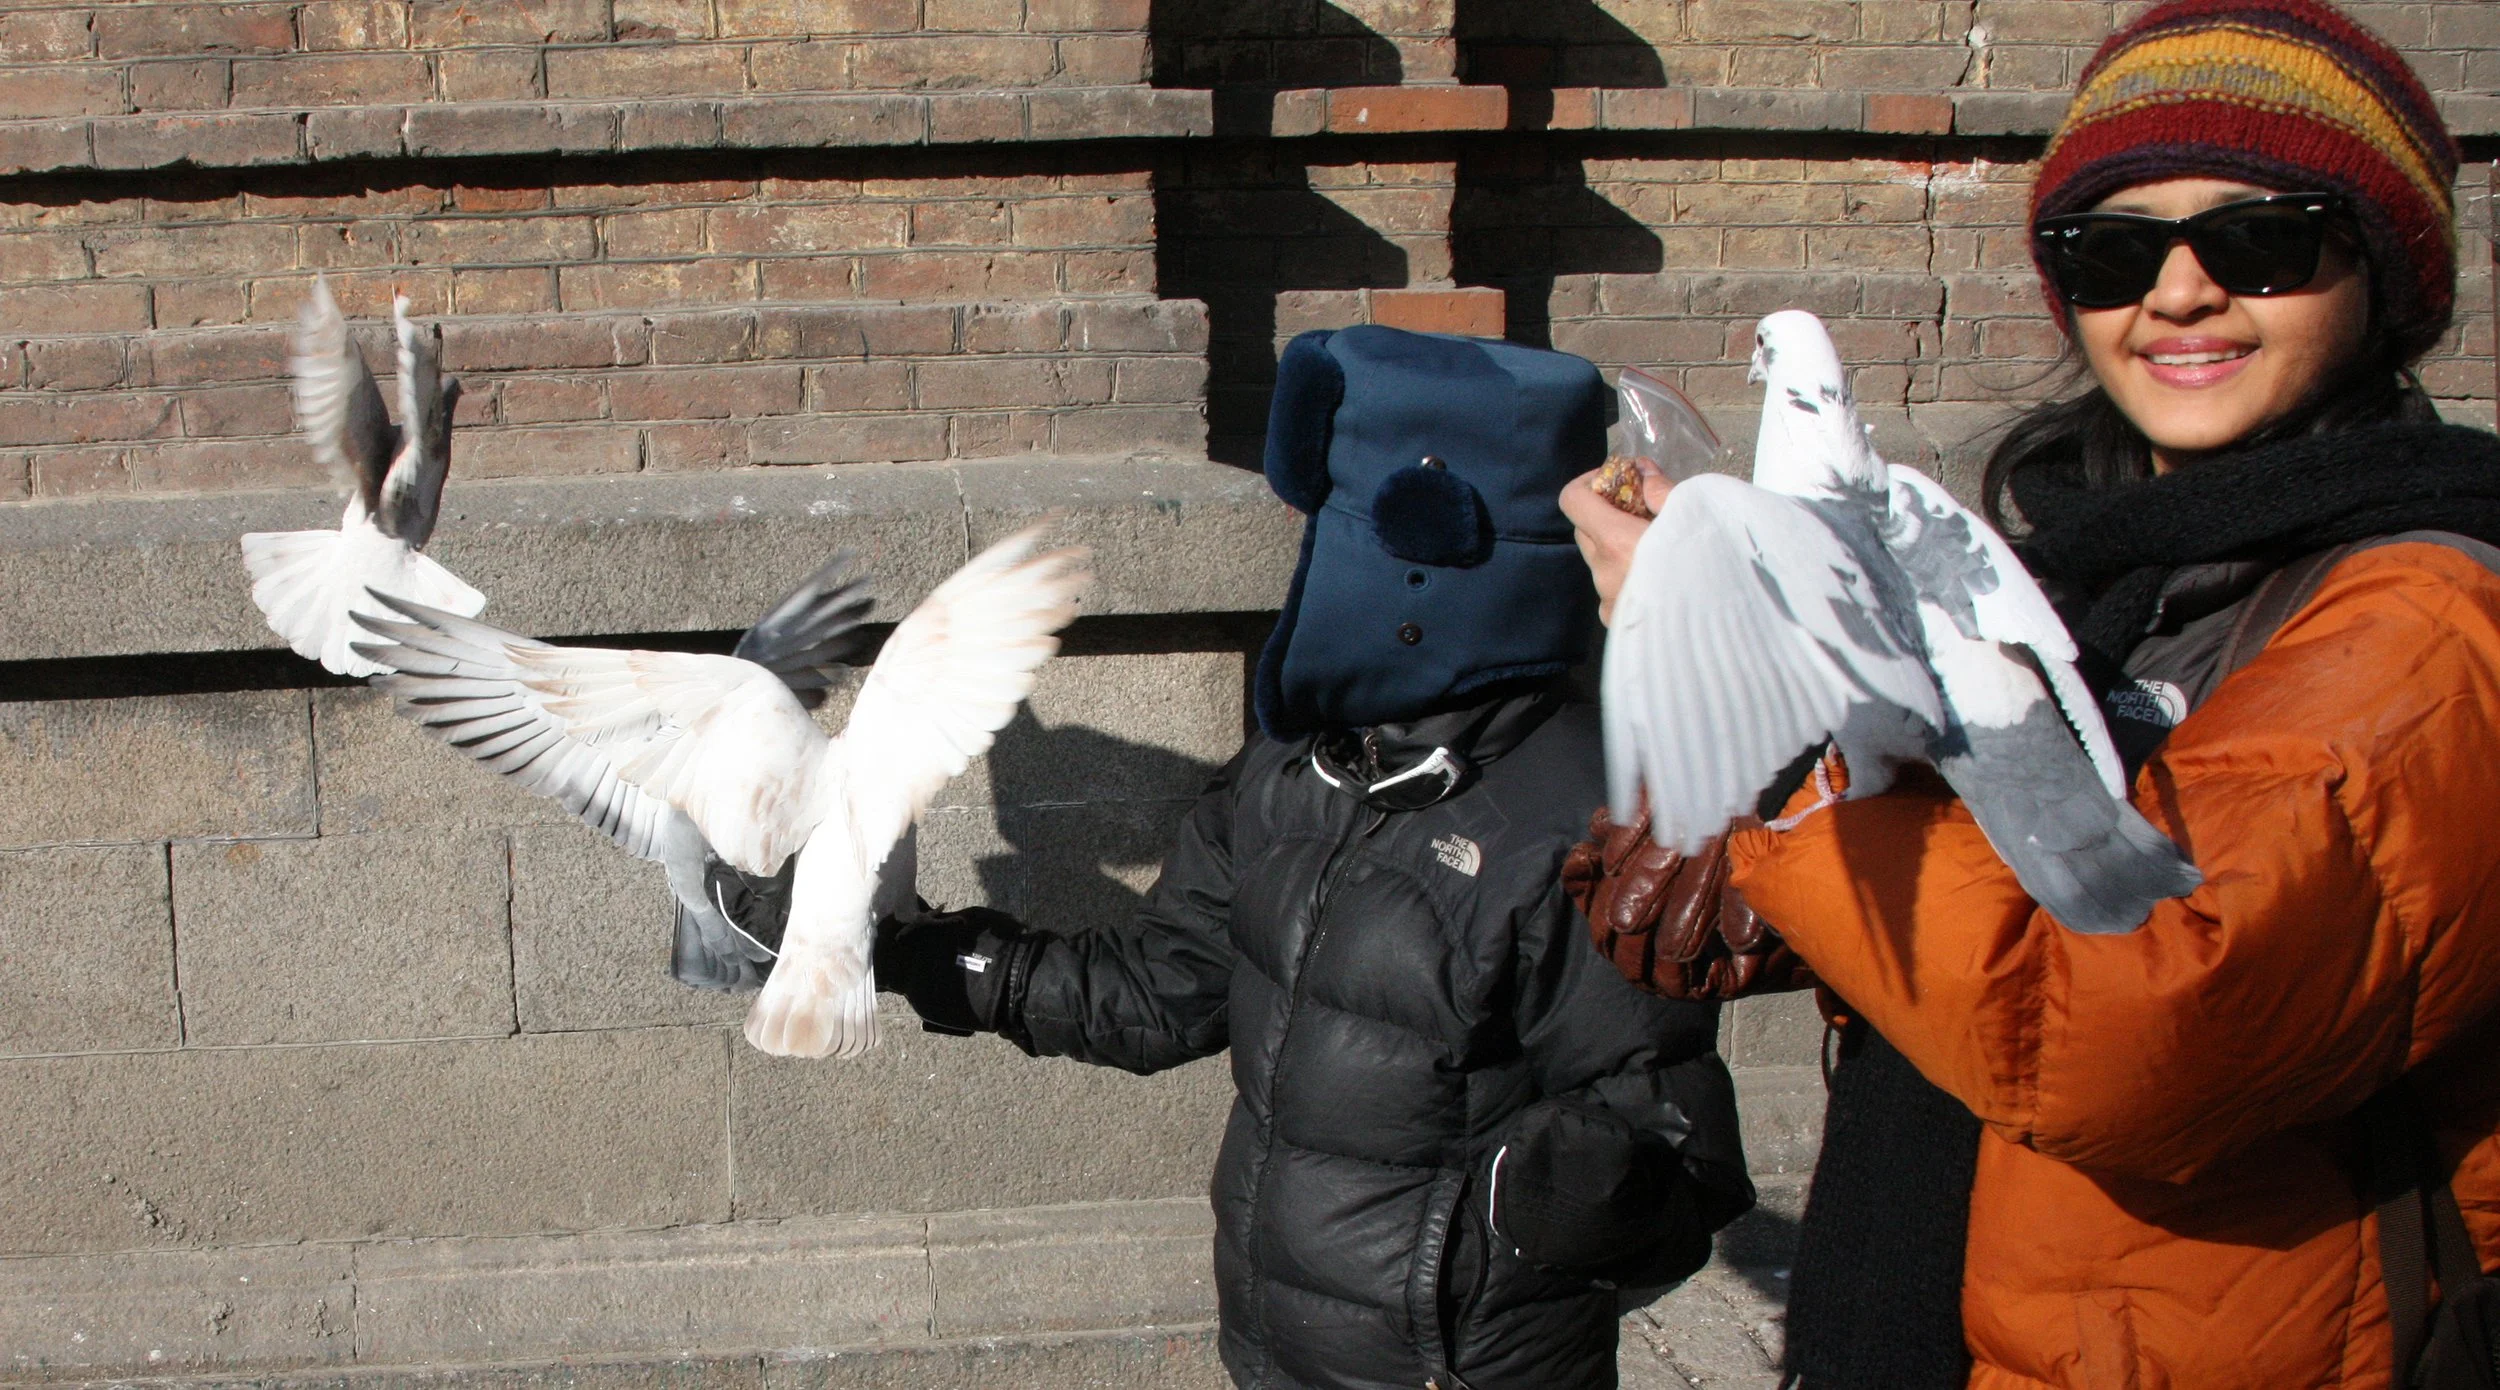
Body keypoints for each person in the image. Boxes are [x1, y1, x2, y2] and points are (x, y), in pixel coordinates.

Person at [1558, 2, 2500, 1386]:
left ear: (2385, 274)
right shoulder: (2078, 576)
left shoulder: (2430, 625)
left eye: (2262, 238)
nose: (2178, 294)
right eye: (2113, 252)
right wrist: (1740, 700)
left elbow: (2133, 1033)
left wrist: (1767, 707)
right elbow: (1831, 923)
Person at [769, 326, 1753, 1390]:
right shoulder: (1301, 768)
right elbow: (1162, 989)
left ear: (1431, 545)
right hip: (1275, 1352)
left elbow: (1672, 1136)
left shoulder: (1586, 807)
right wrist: (915, 953)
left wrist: (1540, 1205)